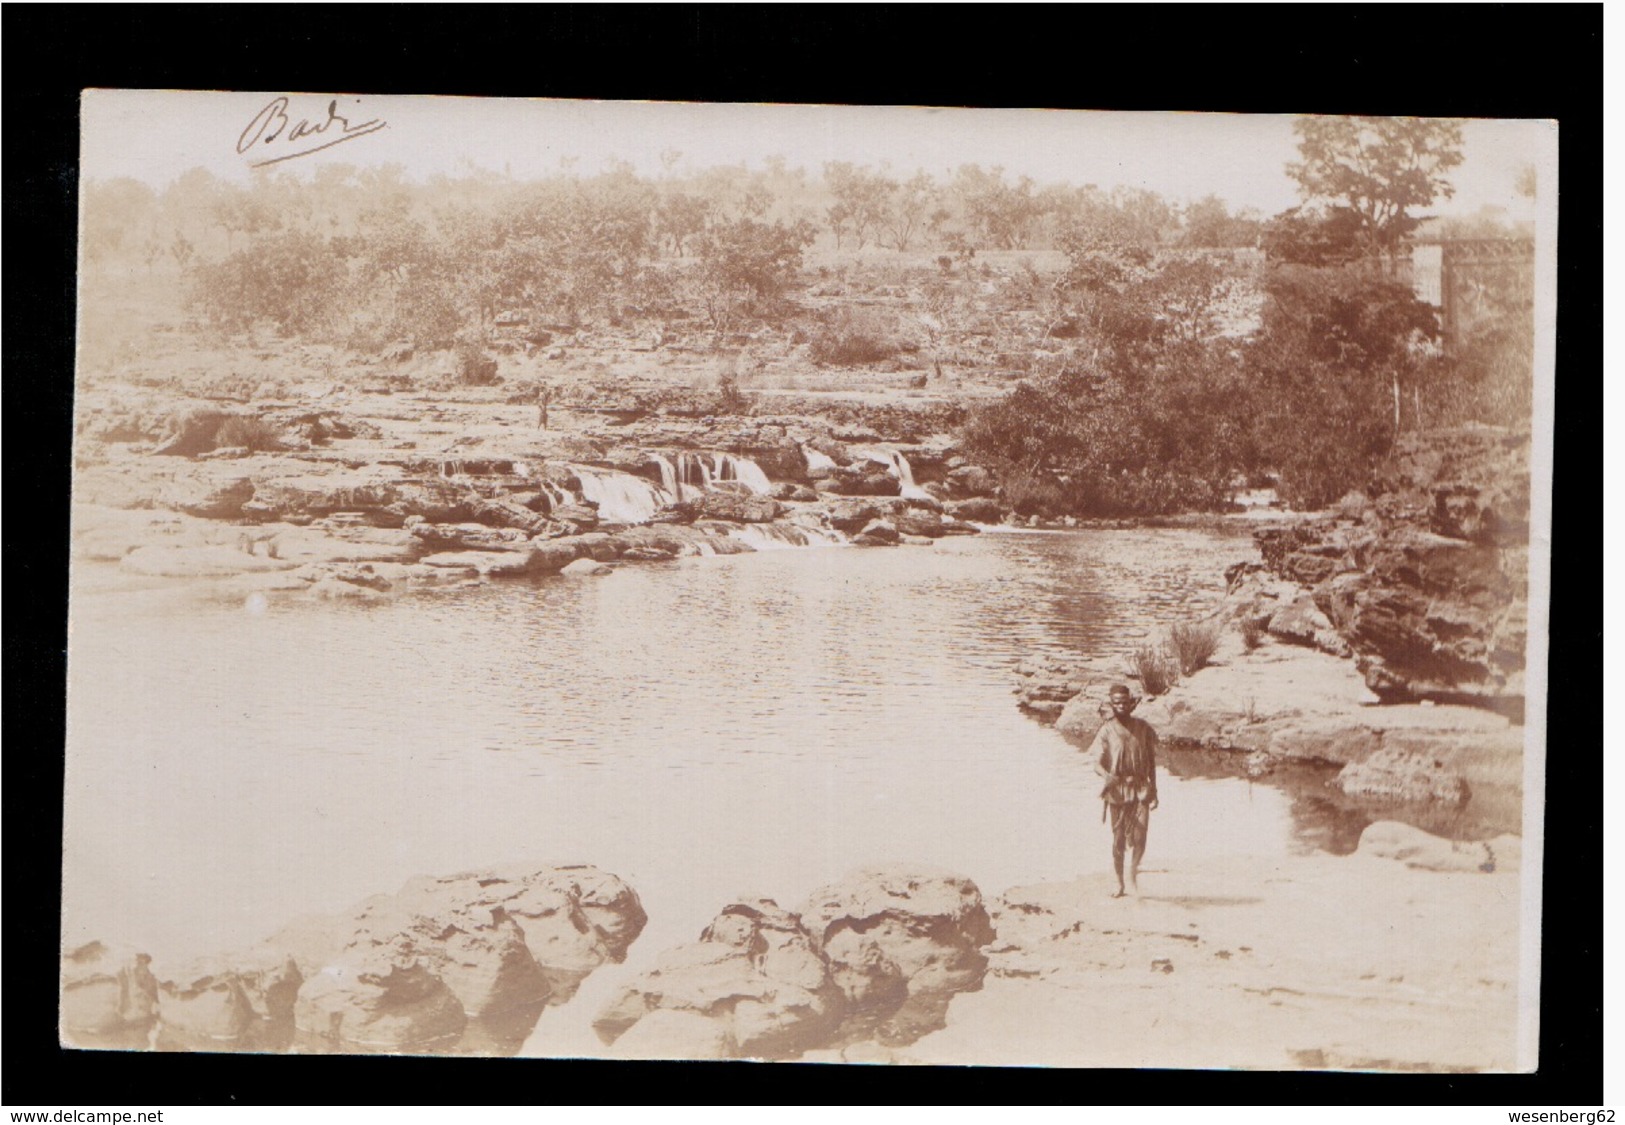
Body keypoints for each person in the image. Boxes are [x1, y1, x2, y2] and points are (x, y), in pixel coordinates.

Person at [1089, 684, 1160, 898]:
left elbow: (1151, 760)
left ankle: (1133, 874)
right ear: (1112, 705)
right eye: (1116, 702)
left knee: (1141, 837)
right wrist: (1105, 775)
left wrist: (1154, 789)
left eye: (1124, 702)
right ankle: (1119, 883)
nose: (1121, 706)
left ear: (1131, 703)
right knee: (1118, 840)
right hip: (1117, 791)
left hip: (1140, 788)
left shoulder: (1143, 728)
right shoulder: (1106, 730)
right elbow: (1096, 762)